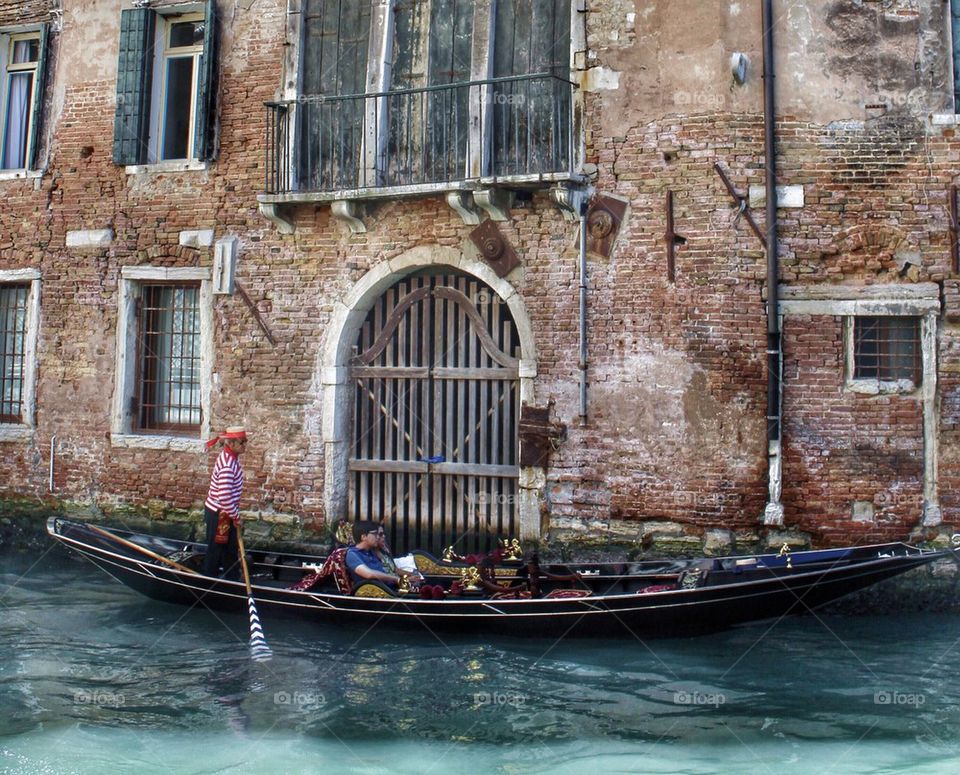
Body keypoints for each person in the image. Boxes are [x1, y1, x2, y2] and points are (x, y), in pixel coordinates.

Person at [202, 426, 248, 579]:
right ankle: (210, 582)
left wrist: (233, 515)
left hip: (224, 512)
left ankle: (232, 579)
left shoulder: (231, 458)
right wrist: (236, 517)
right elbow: (225, 497)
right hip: (219, 512)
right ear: (231, 444)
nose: (245, 445)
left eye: (245, 441)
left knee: (229, 549)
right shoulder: (228, 465)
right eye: (242, 442)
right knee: (216, 550)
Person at [345, 521, 401, 588]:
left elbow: (391, 568)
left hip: (390, 587)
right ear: (364, 537)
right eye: (375, 534)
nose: (378, 537)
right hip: (378, 591)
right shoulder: (352, 554)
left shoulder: (372, 551)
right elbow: (368, 574)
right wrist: (396, 579)